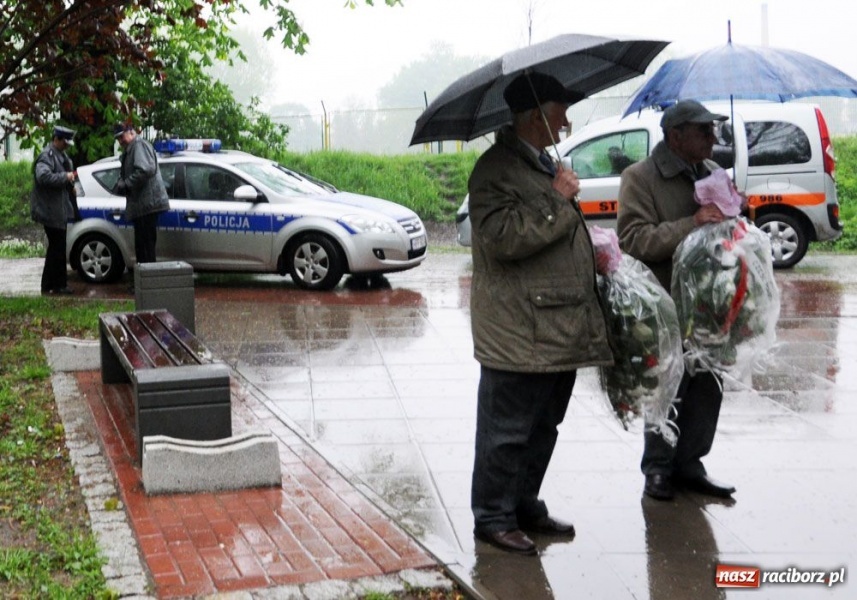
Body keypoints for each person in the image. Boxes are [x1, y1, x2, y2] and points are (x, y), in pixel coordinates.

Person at [467, 72, 613, 555]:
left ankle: (523, 503)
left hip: (557, 326)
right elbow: (503, 239)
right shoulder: (495, 170)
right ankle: (493, 516)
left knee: (542, 427)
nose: (566, 121)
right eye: (559, 112)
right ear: (536, 116)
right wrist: (557, 198)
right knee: (505, 433)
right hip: (518, 331)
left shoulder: (541, 163)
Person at [616, 99, 737, 501]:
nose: (712, 138)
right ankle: (658, 468)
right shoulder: (640, 178)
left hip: (710, 302)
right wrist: (692, 223)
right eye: (704, 131)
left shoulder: (714, 173)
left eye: (713, 130)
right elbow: (634, 240)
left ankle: (691, 463)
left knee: (707, 386)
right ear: (675, 135)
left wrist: (736, 221)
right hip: (665, 305)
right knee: (667, 386)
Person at [113, 122, 170, 266]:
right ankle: (143, 282)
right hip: (143, 206)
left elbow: (144, 170)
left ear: (131, 132)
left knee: (145, 248)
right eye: (118, 139)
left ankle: (147, 284)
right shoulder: (133, 148)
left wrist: (126, 184)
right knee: (143, 247)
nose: (120, 141)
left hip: (146, 206)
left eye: (122, 137)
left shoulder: (138, 146)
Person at [30, 125, 77, 295]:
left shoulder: (61, 156)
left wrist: (70, 184)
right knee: (57, 248)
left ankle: (51, 284)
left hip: (58, 209)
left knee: (56, 248)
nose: (67, 146)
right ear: (56, 139)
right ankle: (57, 285)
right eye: (64, 143)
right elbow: (43, 177)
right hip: (50, 210)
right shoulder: (47, 156)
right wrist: (65, 177)